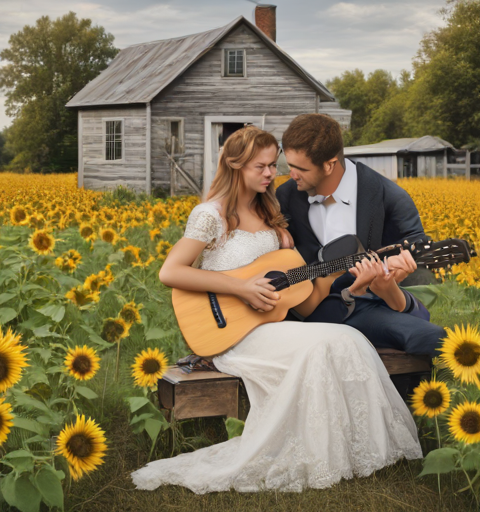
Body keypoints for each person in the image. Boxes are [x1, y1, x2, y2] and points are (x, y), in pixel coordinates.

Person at [131, 126, 422, 493]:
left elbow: (309, 301)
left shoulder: (273, 221)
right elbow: (170, 271)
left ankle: (361, 451)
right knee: (321, 346)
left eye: (273, 165)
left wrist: (350, 282)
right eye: (261, 166)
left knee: (347, 338)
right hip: (232, 334)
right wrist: (242, 287)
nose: (271, 174)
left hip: (270, 328)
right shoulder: (210, 215)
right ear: (235, 165)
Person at [276, 114, 446, 358]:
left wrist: (399, 270)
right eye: (289, 165)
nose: (292, 174)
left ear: (329, 164)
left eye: (301, 168)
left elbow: (416, 242)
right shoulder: (286, 196)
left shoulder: (388, 195)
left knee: (431, 337)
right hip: (301, 311)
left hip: (363, 308)